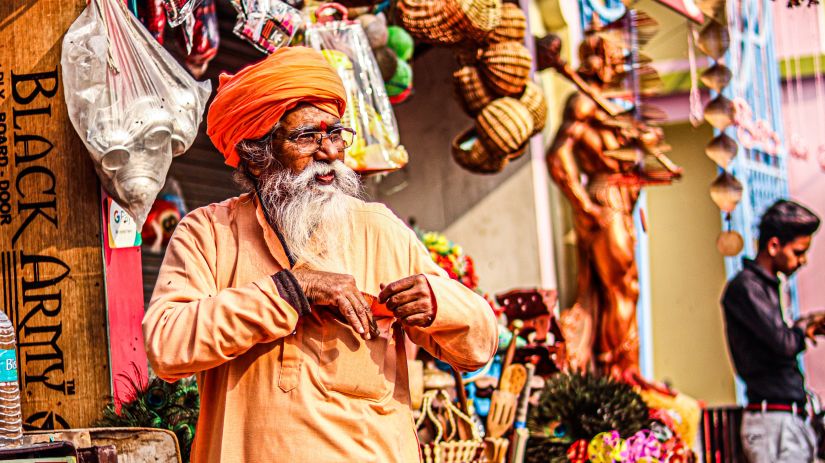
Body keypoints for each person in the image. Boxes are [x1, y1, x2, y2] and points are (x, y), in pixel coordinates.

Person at [142, 47, 498, 463]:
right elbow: (167, 347)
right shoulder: (208, 233)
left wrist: (440, 303)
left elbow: (478, 346)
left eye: (335, 134)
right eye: (307, 137)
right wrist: (291, 290)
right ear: (258, 156)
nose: (329, 151)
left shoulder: (376, 228)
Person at [542, 30, 681, 376]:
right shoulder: (584, 103)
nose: (619, 65)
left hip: (622, 199)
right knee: (620, 286)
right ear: (598, 59)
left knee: (625, 287)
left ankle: (626, 371)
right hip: (604, 198)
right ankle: (620, 372)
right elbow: (558, 156)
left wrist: (642, 140)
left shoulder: (608, 107)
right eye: (615, 57)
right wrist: (584, 206)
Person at [722, 199, 824, 463]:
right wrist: (804, 327)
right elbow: (784, 343)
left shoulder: (769, 287)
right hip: (773, 426)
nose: (802, 261)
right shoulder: (746, 288)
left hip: (789, 421)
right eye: (798, 252)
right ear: (774, 245)